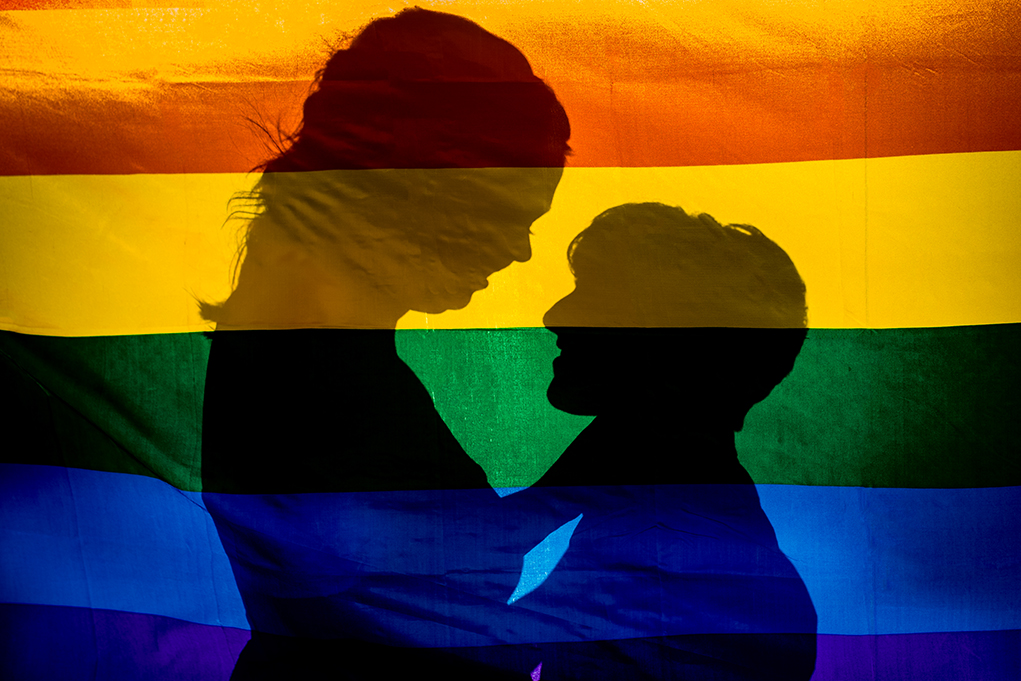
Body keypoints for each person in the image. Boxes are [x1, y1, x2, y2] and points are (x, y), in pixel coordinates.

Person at [199, 9, 570, 678]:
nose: (517, 249)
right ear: (422, 184)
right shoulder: (316, 374)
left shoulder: (309, 350)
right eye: (509, 215)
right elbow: (380, 598)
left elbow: (401, 577)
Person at [514, 203, 818, 679]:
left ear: (668, 347)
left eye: (597, 299)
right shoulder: (652, 509)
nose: (555, 316)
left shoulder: (668, 548)